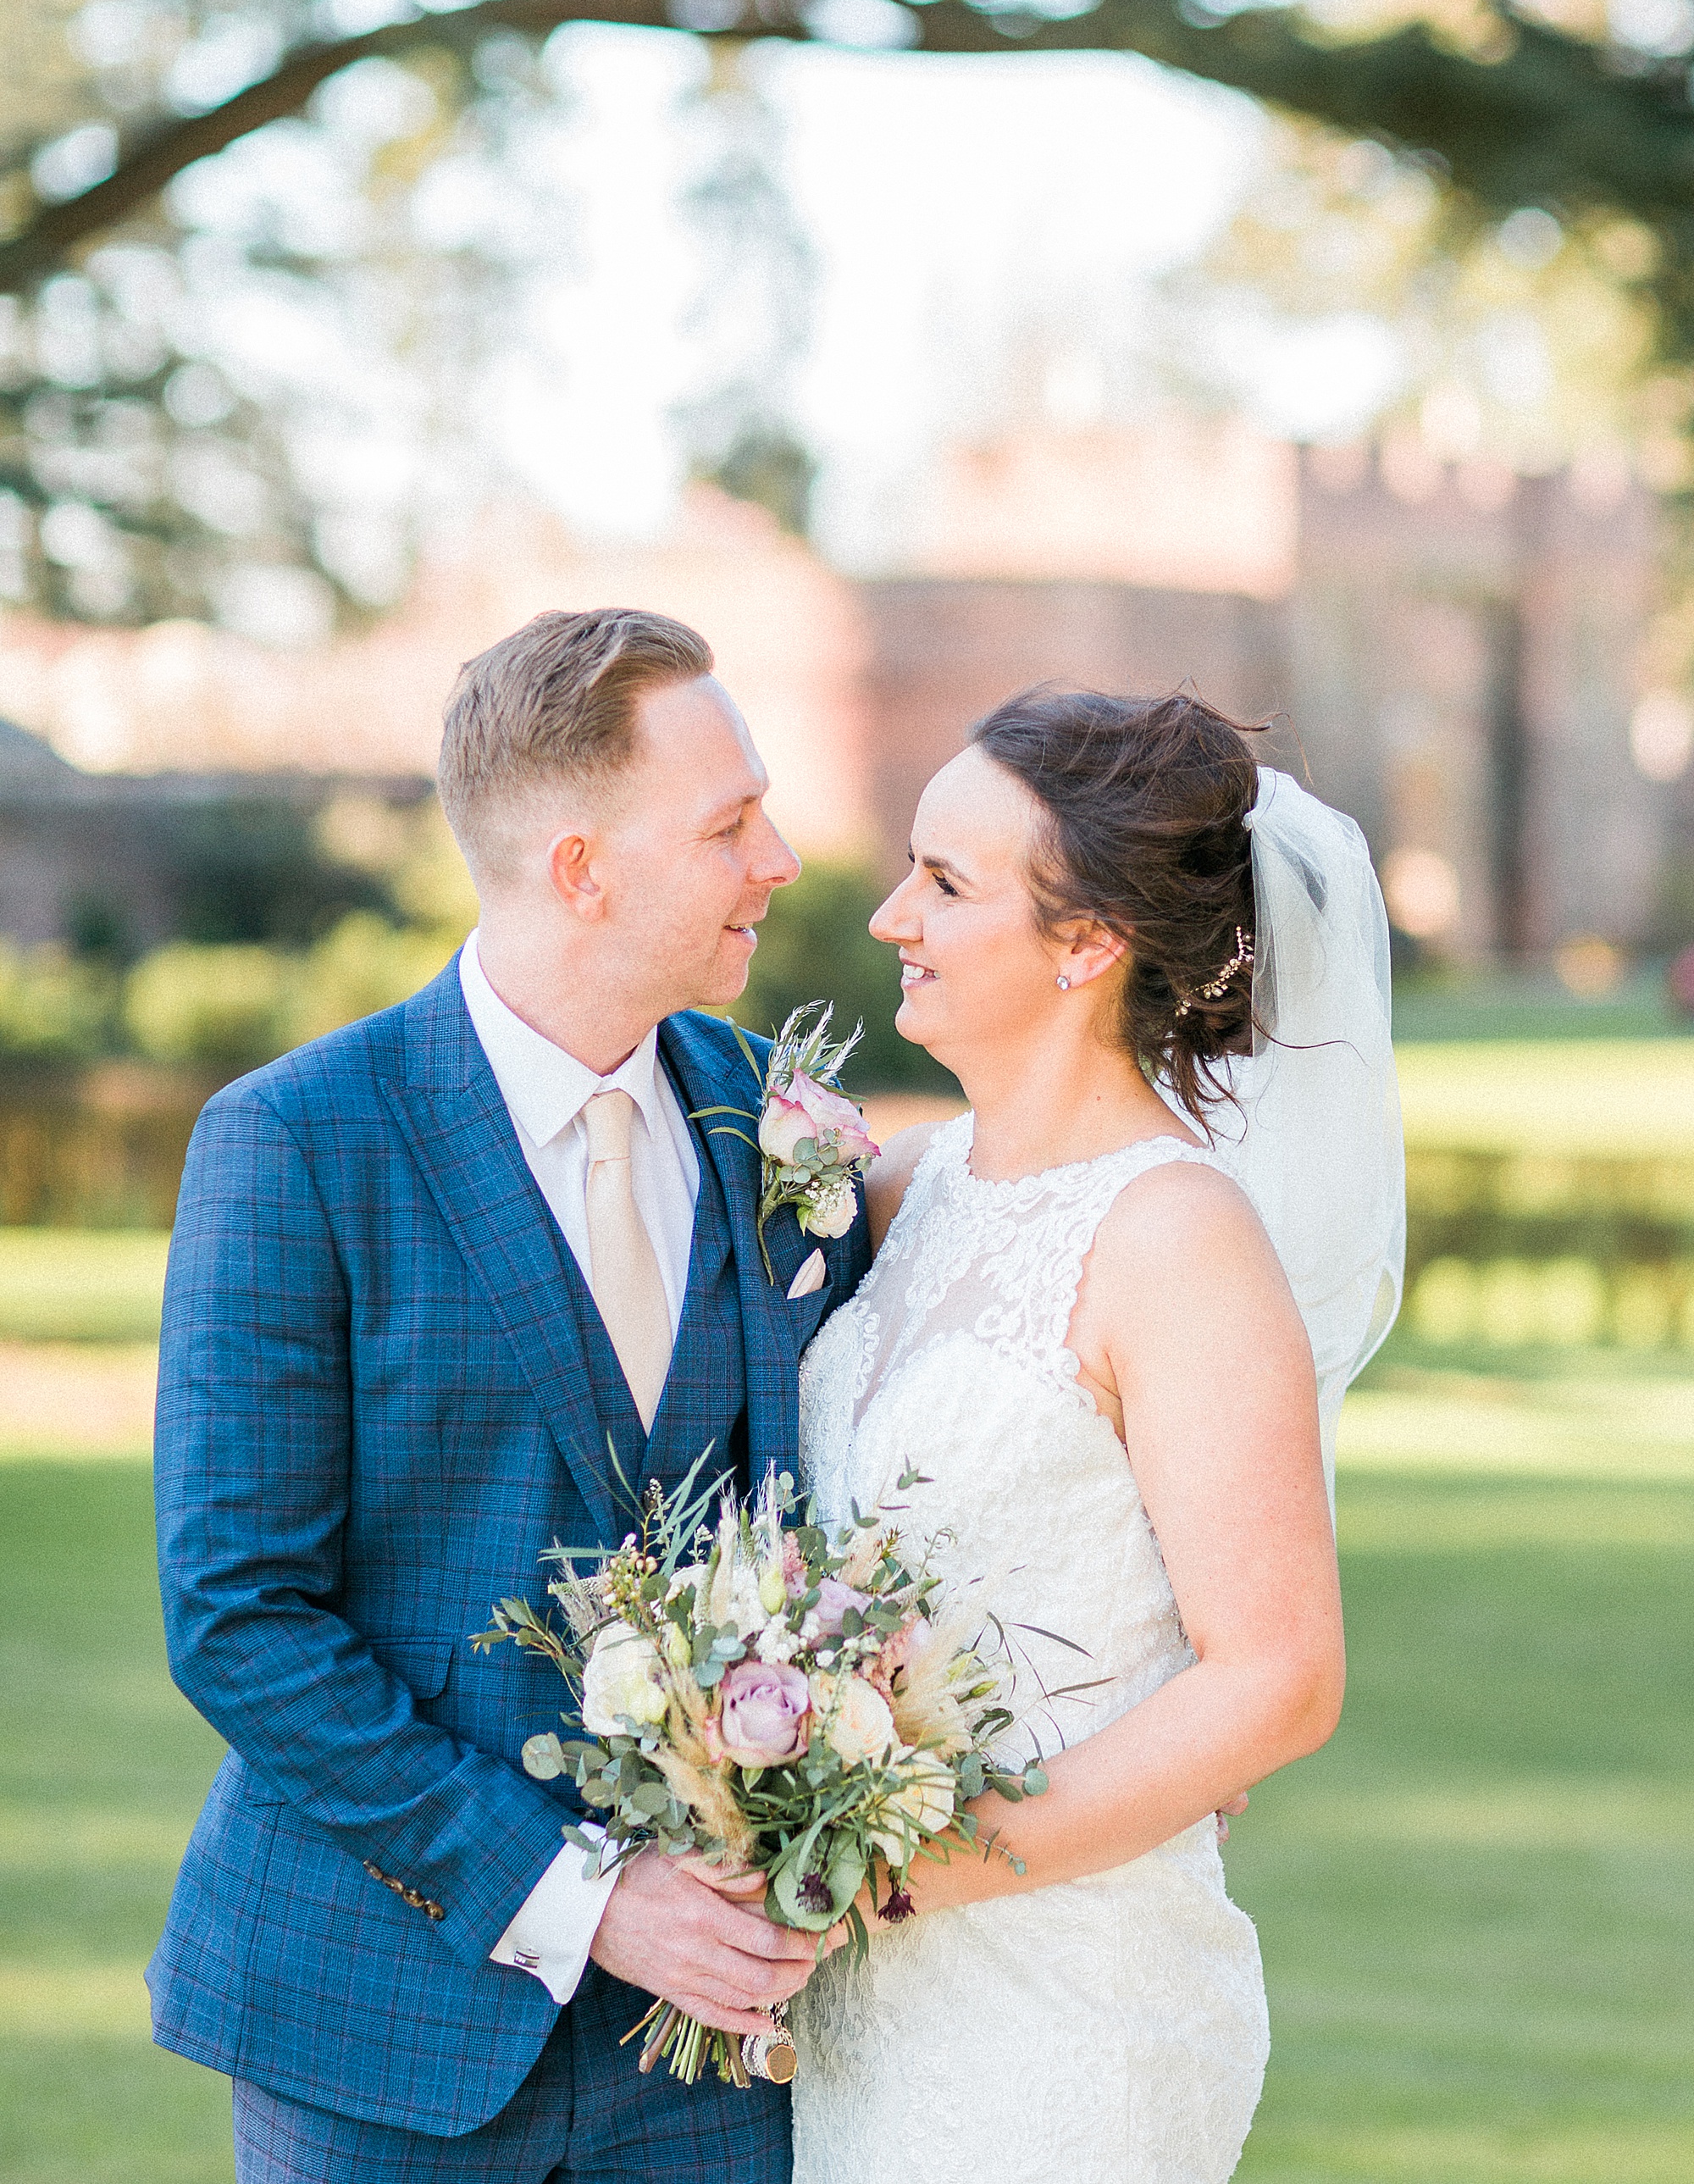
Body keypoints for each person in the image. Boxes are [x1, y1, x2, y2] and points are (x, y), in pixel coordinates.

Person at [148, 607, 870, 2184]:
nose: (783, 860)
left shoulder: (776, 1122)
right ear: (580, 864)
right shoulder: (299, 1143)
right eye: (732, 823)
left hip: (716, 2067)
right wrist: (587, 1896)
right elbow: (241, 1619)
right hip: (379, 2036)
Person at [791, 686, 1404, 2184]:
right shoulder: (911, 1185)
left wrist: (916, 1862)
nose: (890, 916)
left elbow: (1279, 1676)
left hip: (1067, 2011)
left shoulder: (1177, 1239)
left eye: (946, 882)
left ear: (1086, 942)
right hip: (860, 2007)